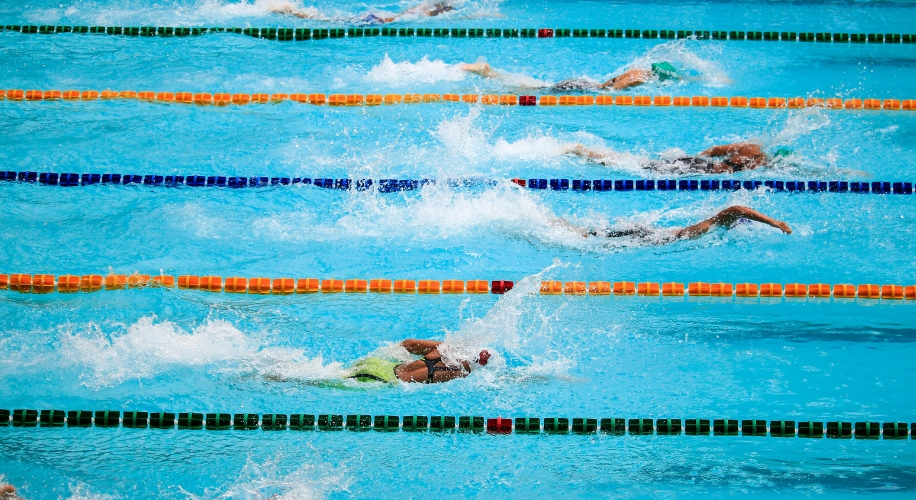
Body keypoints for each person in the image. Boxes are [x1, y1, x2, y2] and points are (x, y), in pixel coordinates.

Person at [555, 205, 792, 244]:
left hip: (653, 235)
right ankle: (567, 228)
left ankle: (570, 228)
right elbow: (736, 209)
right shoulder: (714, 223)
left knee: (595, 235)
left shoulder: (713, 228)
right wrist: (772, 222)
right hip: (652, 236)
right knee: (589, 237)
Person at [566, 142, 791, 174]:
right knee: (642, 168)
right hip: (701, 171)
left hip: (697, 163)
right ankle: (587, 153)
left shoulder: (750, 146)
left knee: (642, 163)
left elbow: (714, 150)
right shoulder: (761, 161)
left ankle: (590, 152)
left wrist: (692, 158)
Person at [460, 60, 681, 91]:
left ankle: (490, 73)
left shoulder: (637, 70)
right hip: (585, 88)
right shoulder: (639, 78)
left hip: (584, 82)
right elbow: (609, 92)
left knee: (538, 87)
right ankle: (487, 74)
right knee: (533, 91)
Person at [345, 339, 490, 384]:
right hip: (379, 380)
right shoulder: (461, 374)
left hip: (377, 364)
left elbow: (408, 344)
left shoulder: (443, 349)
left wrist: (406, 360)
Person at [271, 1, 454, 24]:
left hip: (375, 17)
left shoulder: (417, 11)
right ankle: (291, 12)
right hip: (375, 21)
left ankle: (293, 11)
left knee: (328, 20)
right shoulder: (421, 15)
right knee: (327, 21)